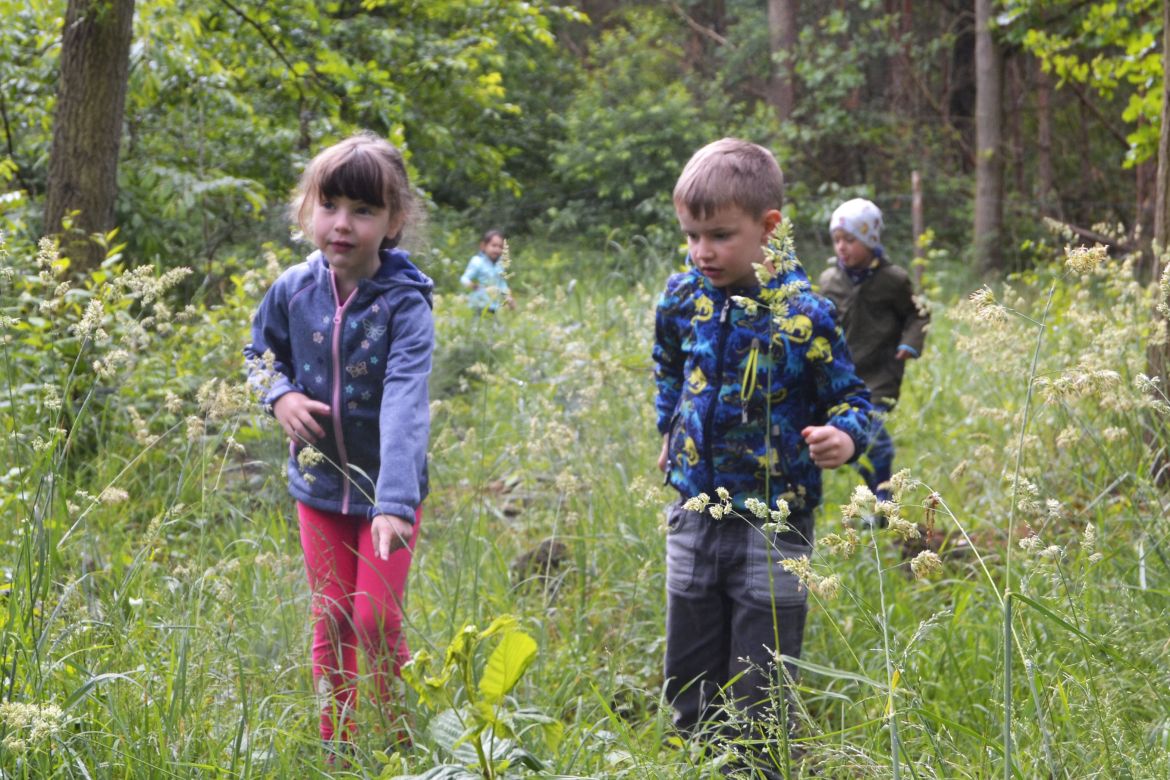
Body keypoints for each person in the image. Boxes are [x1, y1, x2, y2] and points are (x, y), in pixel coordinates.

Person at [653, 139, 872, 753]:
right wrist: (670, 426)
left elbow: (853, 398)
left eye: (719, 235)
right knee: (689, 668)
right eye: (691, 236)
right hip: (694, 510)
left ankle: (756, 761)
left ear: (768, 227)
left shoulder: (804, 314)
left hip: (777, 521)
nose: (702, 252)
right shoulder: (682, 298)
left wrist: (845, 436)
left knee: (763, 675)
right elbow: (669, 366)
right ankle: (694, 757)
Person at [244, 132, 434, 756]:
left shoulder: (405, 305)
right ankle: (340, 747)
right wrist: (280, 396)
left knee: (376, 620)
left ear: (394, 219)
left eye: (364, 210)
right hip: (318, 488)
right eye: (330, 206)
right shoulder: (293, 289)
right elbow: (258, 353)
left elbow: (407, 401)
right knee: (330, 616)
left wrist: (396, 501)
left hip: (388, 494)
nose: (343, 224)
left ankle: (401, 743)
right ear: (308, 211)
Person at [818, 198, 928, 505]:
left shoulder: (892, 280)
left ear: (870, 240)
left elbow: (917, 314)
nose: (842, 247)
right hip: (843, 376)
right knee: (854, 440)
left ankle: (884, 496)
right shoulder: (830, 282)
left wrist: (910, 342)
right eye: (837, 240)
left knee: (874, 436)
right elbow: (820, 323)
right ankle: (875, 499)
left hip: (881, 374)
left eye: (851, 240)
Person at [460, 229, 514, 312]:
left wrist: (508, 297)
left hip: (496, 306)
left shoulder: (500, 264)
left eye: (500, 247)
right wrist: (474, 286)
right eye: (494, 245)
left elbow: (502, 283)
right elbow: (464, 279)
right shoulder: (477, 261)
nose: (497, 249)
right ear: (483, 246)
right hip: (478, 305)